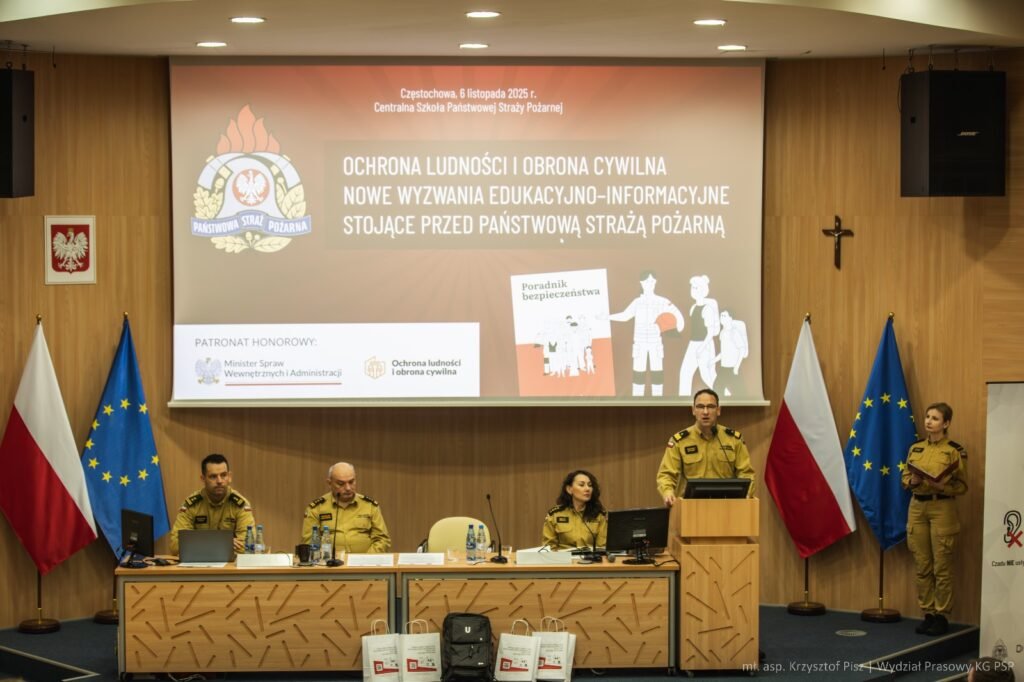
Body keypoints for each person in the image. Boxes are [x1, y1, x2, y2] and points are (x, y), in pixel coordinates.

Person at [901, 402, 967, 636]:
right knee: (922, 565)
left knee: (942, 566)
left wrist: (943, 486)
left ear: (946, 423)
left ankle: (941, 616)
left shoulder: (954, 451)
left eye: (935, 418)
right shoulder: (916, 448)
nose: (929, 421)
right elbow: (905, 477)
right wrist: (912, 481)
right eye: (928, 417)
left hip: (942, 507)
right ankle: (928, 613)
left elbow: (962, 486)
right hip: (917, 506)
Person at [656, 388, 755, 506]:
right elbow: (666, 475)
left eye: (711, 407)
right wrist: (668, 493)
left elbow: (746, 473)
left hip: (727, 506)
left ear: (718, 410)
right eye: (700, 407)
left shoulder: (734, 439)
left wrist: (746, 494)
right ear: (693, 410)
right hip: (690, 507)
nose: (705, 412)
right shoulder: (680, 441)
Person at [607, 271, 684, 397]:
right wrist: (607, 317)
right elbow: (625, 316)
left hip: (655, 343)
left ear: (655, 282)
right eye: (647, 281)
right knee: (638, 374)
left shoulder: (662, 301)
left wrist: (677, 327)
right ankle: (637, 402)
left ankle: (658, 402)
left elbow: (678, 316)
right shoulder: (637, 302)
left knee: (657, 373)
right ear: (641, 283)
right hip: (639, 343)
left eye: (652, 281)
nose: (650, 284)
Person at [169, 453, 255, 554]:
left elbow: (248, 547)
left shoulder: (240, 505)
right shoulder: (192, 505)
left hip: (229, 563)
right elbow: (175, 545)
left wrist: (198, 543)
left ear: (229, 477)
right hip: (199, 562)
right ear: (203, 479)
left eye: (223, 475)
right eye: (213, 476)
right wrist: (223, 543)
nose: (219, 481)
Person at [302, 462, 391, 554]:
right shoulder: (316, 508)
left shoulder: (369, 506)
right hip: (329, 562)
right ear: (329, 483)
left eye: (351, 482)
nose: (348, 488)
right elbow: (309, 543)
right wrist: (327, 558)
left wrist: (365, 559)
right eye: (341, 484)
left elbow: (382, 539)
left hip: (365, 561)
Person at [543, 470, 608, 550]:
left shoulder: (599, 515)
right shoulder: (555, 514)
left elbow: (602, 547)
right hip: (563, 557)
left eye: (590, 485)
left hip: (590, 557)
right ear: (569, 489)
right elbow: (549, 548)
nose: (587, 489)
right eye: (581, 485)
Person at [678, 274, 720, 396]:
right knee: (685, 372)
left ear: (703, 290)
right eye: (692, 287)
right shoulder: (693, 308)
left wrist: (702, 348)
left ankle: (722, 395)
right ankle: (682, 399)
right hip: (693, 344)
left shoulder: (707, 309)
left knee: (707, 375)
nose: (693, 290)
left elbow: (710, 332)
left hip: (705, 344)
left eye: (696, 288)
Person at [714, 310, 748, 398]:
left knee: (740, 393)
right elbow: (724, 352)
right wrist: (713, 361)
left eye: (724, 316)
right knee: (716, 388)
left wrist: (736, 366)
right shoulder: (722, 333)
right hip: (723, 368)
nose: (722, 318)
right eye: (721, 316)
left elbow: (742, 349)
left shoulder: (734, 332)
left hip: (732, 369)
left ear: (730, 318)